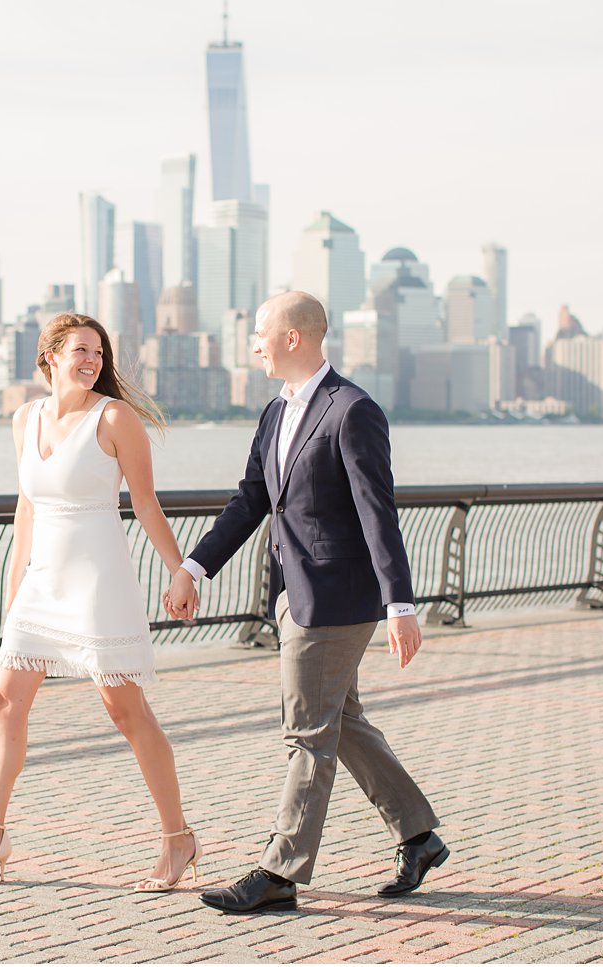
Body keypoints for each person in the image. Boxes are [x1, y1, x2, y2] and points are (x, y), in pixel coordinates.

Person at [165, 291, 447, 914]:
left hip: (339, 599)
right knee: (338, 723)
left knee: (307, 732)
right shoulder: (275, 413)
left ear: (294, 337)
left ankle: (279, 871)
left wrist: (400, 605)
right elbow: (250, 500)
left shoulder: (353, 411)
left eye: (260, 333)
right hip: (294, 593)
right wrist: (194, 566)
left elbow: (379, 513)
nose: (254, 345)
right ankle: (419, 835)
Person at [0, 312, 203, 892]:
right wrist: (14, 593)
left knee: (125, 710)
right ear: (49, 356)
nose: (92, 361)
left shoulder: (114, 417)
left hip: (97, 579)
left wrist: (180, 572)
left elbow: (147, 503)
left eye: (99, 353)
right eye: (80, 350)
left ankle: (178, 837)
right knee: (6, 700)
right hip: (41, 581)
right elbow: (25, 508)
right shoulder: (24, 418)